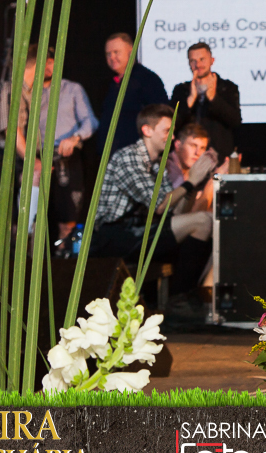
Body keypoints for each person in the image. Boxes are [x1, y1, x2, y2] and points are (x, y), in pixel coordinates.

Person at [92, 104, 217, 301]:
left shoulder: (158, 163)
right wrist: (190, 181)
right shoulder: (128, 157)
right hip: (114, 235)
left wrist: (195, 182)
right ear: (147, 130)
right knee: (202, 220)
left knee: (204, 221)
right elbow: (158, 205)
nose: (172, 137)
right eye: (167, 131)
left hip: (141, 230)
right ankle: (179, 299)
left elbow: (175, 212)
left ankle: (181, 297)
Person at [13, 45, 99, 247]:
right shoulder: (27, 92)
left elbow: (91, 121)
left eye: (51, 62)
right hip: (37, 158)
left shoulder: (72, 88)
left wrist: (75, 138)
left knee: (67, 218)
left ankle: (65, 259)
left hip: (66, 158)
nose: (48, 67)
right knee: (31, 216)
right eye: (44, 63)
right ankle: (27, 259)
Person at [169, 42, 241, 161]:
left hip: (218, 159)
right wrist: (190, 100)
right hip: (187, 160)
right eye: (193, 60)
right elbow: (172, 125)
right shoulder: (181, 90)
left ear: (212, 60)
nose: (198, 64)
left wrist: (213, 98)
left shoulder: (227, 88)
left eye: (202, 59)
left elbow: (235, 121)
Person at [97, 33, 168, 153]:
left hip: (138, 155)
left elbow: (161, 115)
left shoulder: (148, 79)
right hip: (112, 156)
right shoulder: (108, 83)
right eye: (108, 54)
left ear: (131, 51)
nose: (112, 57)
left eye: (116, 52)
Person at [166, 122, 226, 212]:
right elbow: (186, 214)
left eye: (202, 148)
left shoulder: (192, 170)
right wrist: (214, 180)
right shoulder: (169, 169)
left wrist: (216, 175)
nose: (197, 153)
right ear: (178, 145)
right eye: (193, 145)